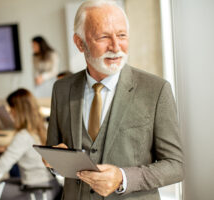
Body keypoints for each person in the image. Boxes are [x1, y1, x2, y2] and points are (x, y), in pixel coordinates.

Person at [46, 0, 184, 199]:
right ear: (79, 43)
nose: (116, 46)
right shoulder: (61, 89)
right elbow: (54, 152)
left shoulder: (155, 89)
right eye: (103, 37)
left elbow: (175, 166)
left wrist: (122, 177)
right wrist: (55, 164)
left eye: (122, 35)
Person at [0, 89, 60, 199]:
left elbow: (0, 167)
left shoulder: (23, 135)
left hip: (38, 192)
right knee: (3, 184)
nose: (10, 113)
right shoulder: (44, 127)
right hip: (53, 186)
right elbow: (32, 147)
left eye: (11, 110)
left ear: (17, 111)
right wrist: (8, 149)